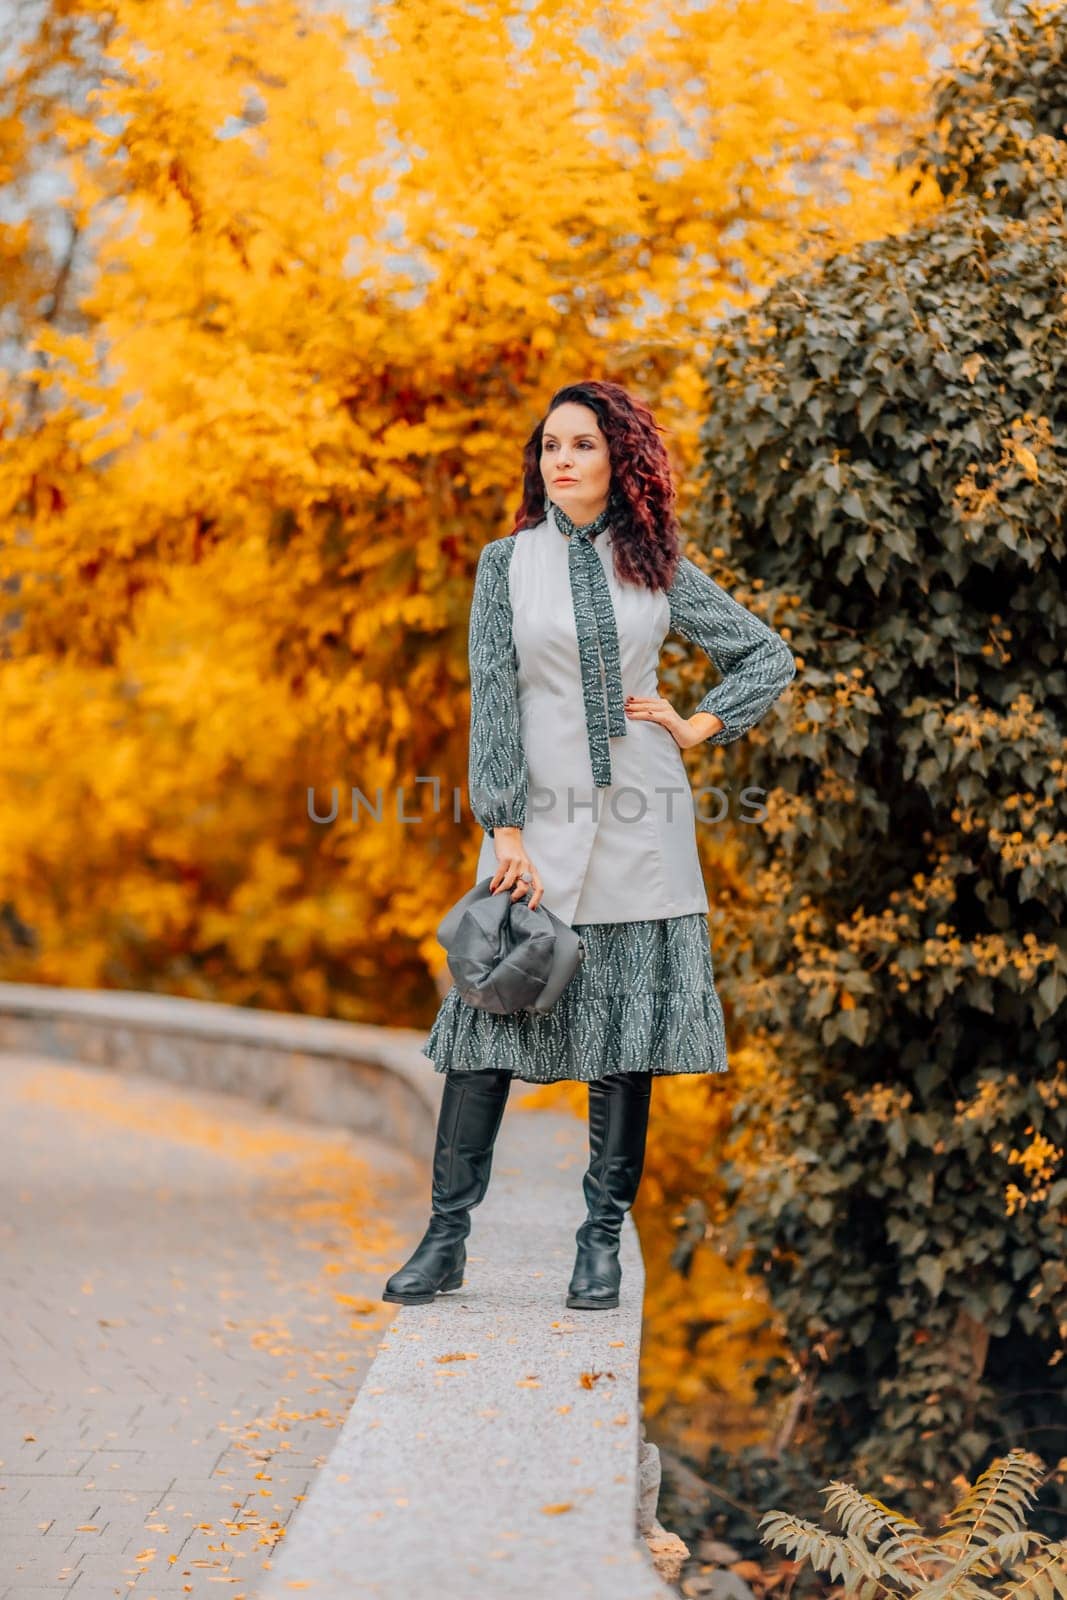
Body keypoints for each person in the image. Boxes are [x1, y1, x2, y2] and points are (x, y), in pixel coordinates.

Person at [383, 379, 796, 1311]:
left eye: (580, 444)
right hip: (532, 825)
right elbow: (494, 698)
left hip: (642, 826)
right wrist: (503, 829)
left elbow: (763, 654)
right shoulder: (506, 563)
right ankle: (445, 1240)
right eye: (548, 446)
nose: (559, 459)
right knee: (483, 1031)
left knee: (626, 1046)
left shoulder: (656, 563)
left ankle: (598, 1246)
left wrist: (699, 725)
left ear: (618, 459)